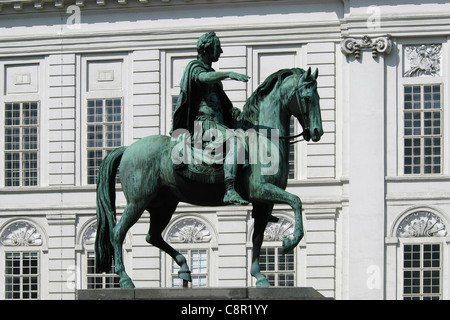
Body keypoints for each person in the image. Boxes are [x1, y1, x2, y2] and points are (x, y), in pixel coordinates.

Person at [171, 31, 249, 205]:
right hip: (204, 124)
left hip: (216, 122)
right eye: (217, 47)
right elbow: (203, 78)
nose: (220, 52)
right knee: (236, 142)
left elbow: (220, 100)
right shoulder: (195, 67)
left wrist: (231, 111)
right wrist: (228, 73)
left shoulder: (211, 72)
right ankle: (229, 190)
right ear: (207, 49)